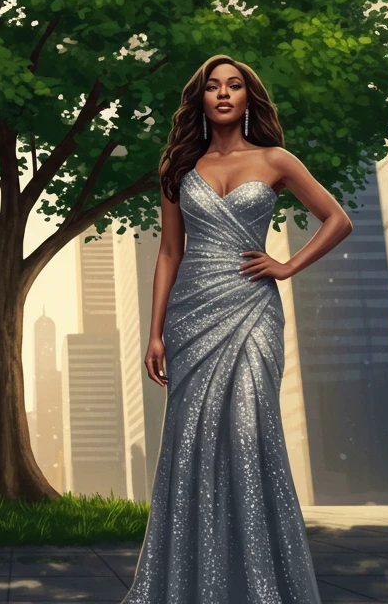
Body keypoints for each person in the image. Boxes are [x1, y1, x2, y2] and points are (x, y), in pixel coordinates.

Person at [122, 55, 352, 604]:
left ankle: (264, 588)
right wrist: (154, 333)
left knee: (250, 433)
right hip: (191, 315)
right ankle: (192, 586)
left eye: (235, 86)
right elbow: (169, 252)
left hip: (252, 311)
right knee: (190, 441)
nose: (224, 94)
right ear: (199, 99)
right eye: (213, 87)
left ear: (249, 98)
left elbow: (337, 219)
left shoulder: (276, 159)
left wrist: (288, 265)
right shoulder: (180, 169)